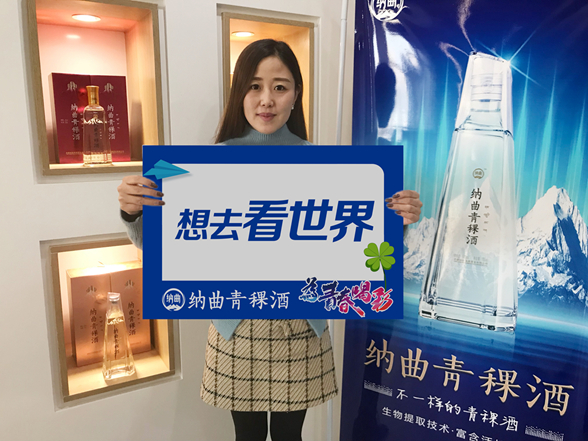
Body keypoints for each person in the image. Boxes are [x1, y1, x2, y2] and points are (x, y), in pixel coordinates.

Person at [118, 39, 422, 441]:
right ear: (240, 93)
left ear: (296, 94)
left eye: (280, 87)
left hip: (302, 324)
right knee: (245, 436)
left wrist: (399, 220)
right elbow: (156, 246)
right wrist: (133, 211)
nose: (267, 99)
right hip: (235, 324)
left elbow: (364, 249)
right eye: (254, 86)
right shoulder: (201, 165)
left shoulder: (329, 165)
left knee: (289, 437)